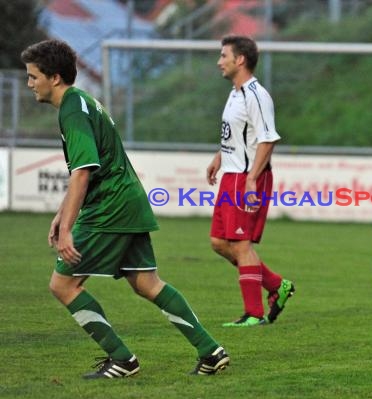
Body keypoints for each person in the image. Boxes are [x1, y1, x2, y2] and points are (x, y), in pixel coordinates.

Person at [21, 39, 229, 378]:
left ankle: (122, 359)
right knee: (147, 283)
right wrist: (62, 215)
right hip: (128, 201)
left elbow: (83, 171)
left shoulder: (72, 109)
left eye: (33, 76)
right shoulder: (84, 102)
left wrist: (69, 228)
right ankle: (210, 351)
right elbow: (86, 167)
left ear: (54, 77)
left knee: (63, 285)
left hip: (110, 207)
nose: (29, 84)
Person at [206, 35, 295, 327]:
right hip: (232, 175)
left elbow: (268, 139)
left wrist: (252, 179)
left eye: (223, 55)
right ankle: (276, 285)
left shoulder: (257, 95)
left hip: (247, 177)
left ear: (239, 59)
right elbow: (239, 134)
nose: (219, 61)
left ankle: (254, 314)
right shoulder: (235, 92)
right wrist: (219, 157)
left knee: (241, 244)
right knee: (219, 242)